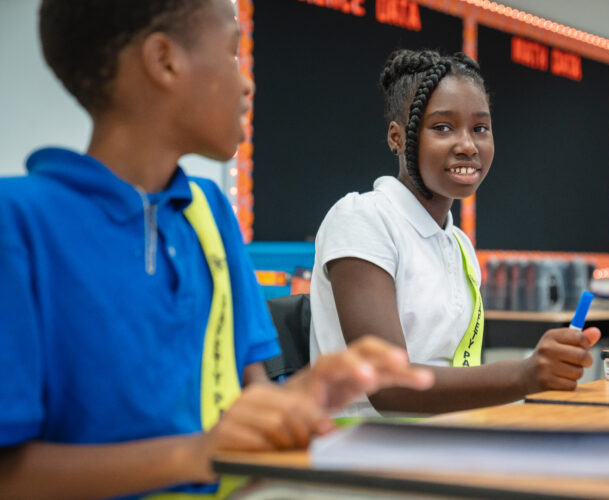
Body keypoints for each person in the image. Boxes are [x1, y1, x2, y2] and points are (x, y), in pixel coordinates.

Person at [0, 1, 433, 498]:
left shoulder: (207, 212)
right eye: (232, 52)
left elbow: (251, 408)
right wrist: (196, 453)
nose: (247, 83)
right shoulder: (18, 222)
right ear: (164, 61)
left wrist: (300, 401)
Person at [309, 49, 601, 417]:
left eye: (480, 128)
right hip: (362, 453)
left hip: (445, 441)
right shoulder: (363, 218)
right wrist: (525, 374)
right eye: (443, 127)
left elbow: (455, 372)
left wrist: (541, 371)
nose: (467, 145)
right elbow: (388, 385)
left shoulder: (459, 245)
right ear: (397, 138)